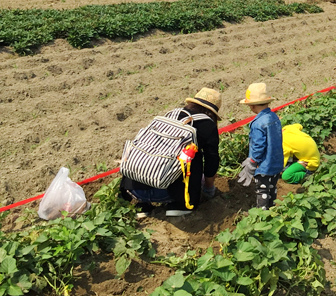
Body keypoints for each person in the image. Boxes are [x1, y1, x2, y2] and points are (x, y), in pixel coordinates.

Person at [119, 87, 221, 217]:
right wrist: (209, 189)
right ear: (212, 113)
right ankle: (181, 204)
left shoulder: (170, 114)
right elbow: (211, 162)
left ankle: (143, 205)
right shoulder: (208, 125)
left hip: (133, 191)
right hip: (166, 192)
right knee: (193, 154)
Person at [237, 83, 283, 210]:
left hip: (263, 165)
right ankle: (271, 210)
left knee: (262, 191)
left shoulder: (258, 124)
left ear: (251, 106)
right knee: (272, 189)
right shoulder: (274, 117)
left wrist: (252, 162)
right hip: (276, 162)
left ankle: (262, 216)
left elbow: (258, 146)